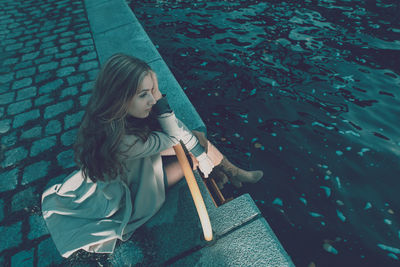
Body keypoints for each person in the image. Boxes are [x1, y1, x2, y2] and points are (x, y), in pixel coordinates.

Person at [41, 53, 263, 258]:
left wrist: (154, 98)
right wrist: (164, 110)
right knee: (193, 153)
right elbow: (176, 135)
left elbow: (179, 132)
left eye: (151, 91)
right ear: (120, 98)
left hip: (135, 165)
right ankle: (225, 175)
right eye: (143, 95)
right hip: (134, 188)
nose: (152, 100)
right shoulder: (122, 141)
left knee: (196, 139)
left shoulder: (113, 117)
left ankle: (230, 174)